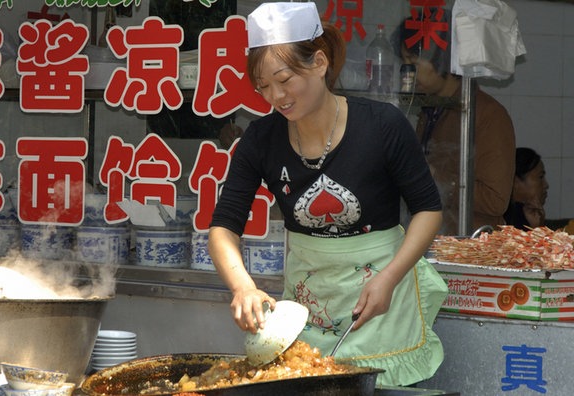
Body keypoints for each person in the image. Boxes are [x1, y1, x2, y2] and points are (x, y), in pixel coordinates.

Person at [208, 2, 448, 387]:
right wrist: (243, 286)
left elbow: (427, 210)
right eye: (264, 86)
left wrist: (389, 277)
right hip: (306, 308)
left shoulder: (382, 125)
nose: (276, 96)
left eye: (284, 79)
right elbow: (223, 226)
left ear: (319, 63)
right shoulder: (261, 139)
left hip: (383, 299)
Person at [395, 11, 516, 236]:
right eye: (404, 62)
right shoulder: (430, 109)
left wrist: (439, 179)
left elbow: (496, 200)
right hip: (433, 238)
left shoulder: (489, 114)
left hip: (471, 245)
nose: (408, 72)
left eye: (413, 61)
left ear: (441, 58)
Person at [504, 147, 549, 230]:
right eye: (540, 177)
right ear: (515, 182)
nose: (546, 185)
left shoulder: (531, 217)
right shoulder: (504, 221)